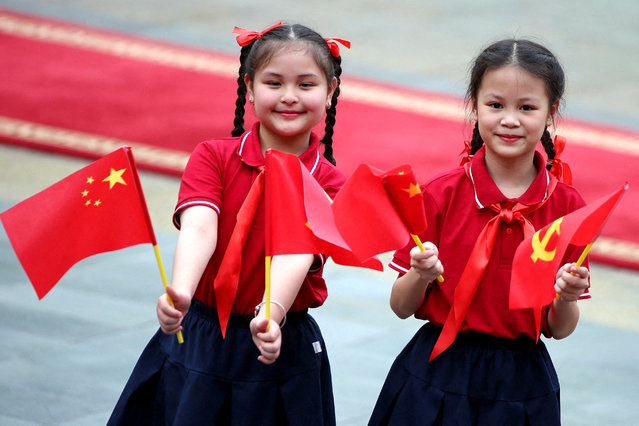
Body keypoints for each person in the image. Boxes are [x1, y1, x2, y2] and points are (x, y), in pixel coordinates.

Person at [108, 22, 348, 426]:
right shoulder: (213, 157)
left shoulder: (330, 183)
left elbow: (299, 250)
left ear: (331, 91)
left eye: (306, 85)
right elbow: (200, 225)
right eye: (274, 82)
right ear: (249, 88)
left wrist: (272, 312)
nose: (289, 97)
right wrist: (180, 293)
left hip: (277, 343)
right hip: (199, 335)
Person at [368, 38, 591, 426]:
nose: (509, 119)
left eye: (526, 107)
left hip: (522, 384)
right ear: (474, 105)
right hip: (437, 372)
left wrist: (566, 297)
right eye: (495, 105)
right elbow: (401, 307)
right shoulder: (440, 194)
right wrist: (420, 274)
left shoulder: (567, 208)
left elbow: (560, 328)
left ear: (551, 112)